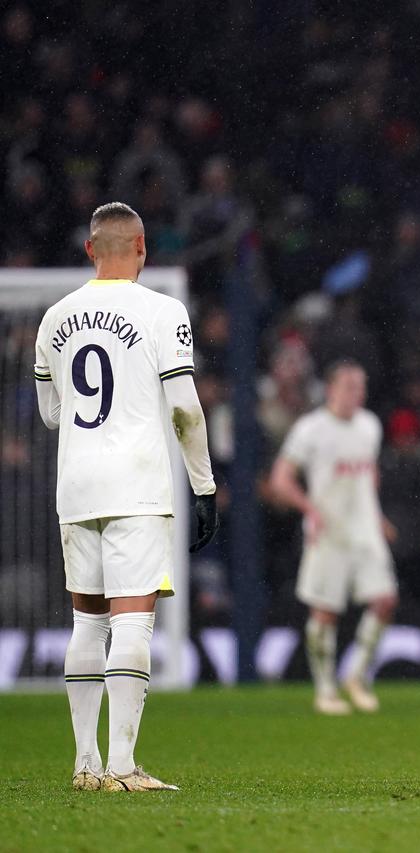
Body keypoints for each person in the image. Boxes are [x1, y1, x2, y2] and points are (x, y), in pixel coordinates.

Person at [34, 202, 219, 792]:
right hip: (137, 484)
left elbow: (50, 414)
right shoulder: (162, 311)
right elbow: (186, 409)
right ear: (142, 248)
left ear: (91, 250)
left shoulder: (53, 318)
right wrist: (204, 485)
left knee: (86, 625)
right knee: (133, 621)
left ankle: (85, 763)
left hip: (77, 484)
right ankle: (122, 765)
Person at [269, 361, 398, 715]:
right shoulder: (311, 430)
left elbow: (368, 474)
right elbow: (281, 479)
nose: (358, 393)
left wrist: (378, 515)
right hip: (329, 532)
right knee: (325, 612)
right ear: (331, 389)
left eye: (361, 386)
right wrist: (309, 509)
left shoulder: (369, 426)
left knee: (385, 600)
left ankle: (355, 676)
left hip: (365, 530)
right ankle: (325, 689)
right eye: (351, 386)